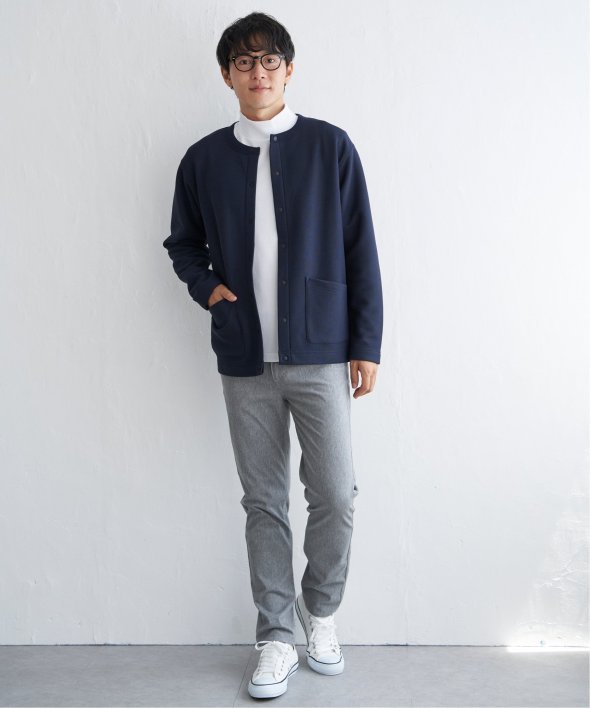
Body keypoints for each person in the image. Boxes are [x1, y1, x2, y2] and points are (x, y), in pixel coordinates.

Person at [162, 11, 383, 700]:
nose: (258, 72)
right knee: (263, 501)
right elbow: (182, 244)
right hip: (245, 356)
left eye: (269, 60)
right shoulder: (203, 159)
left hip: (321, 351)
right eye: (244, 61)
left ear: (289, 69)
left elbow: (361, 248)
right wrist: (211, 291)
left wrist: (366, 343)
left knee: (336, 494)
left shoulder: (330, 147)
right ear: (226, 75)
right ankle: (277, 635)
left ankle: (321, 611)